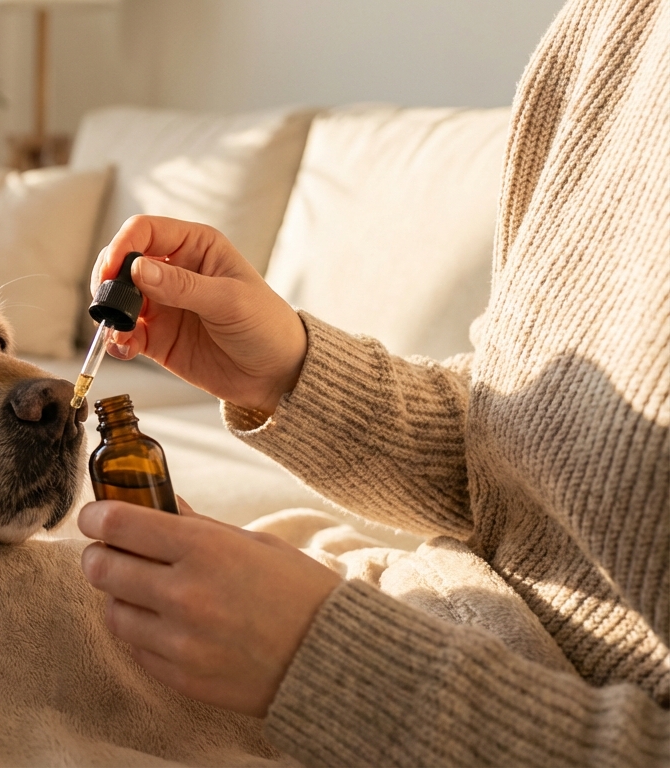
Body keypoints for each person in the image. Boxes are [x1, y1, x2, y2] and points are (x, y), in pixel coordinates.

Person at [75, 0, 670, 764]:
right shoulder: (605, 32)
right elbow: (513, 458)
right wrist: (293, 370)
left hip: (420, 704)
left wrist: (330, 665)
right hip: (430, 616)